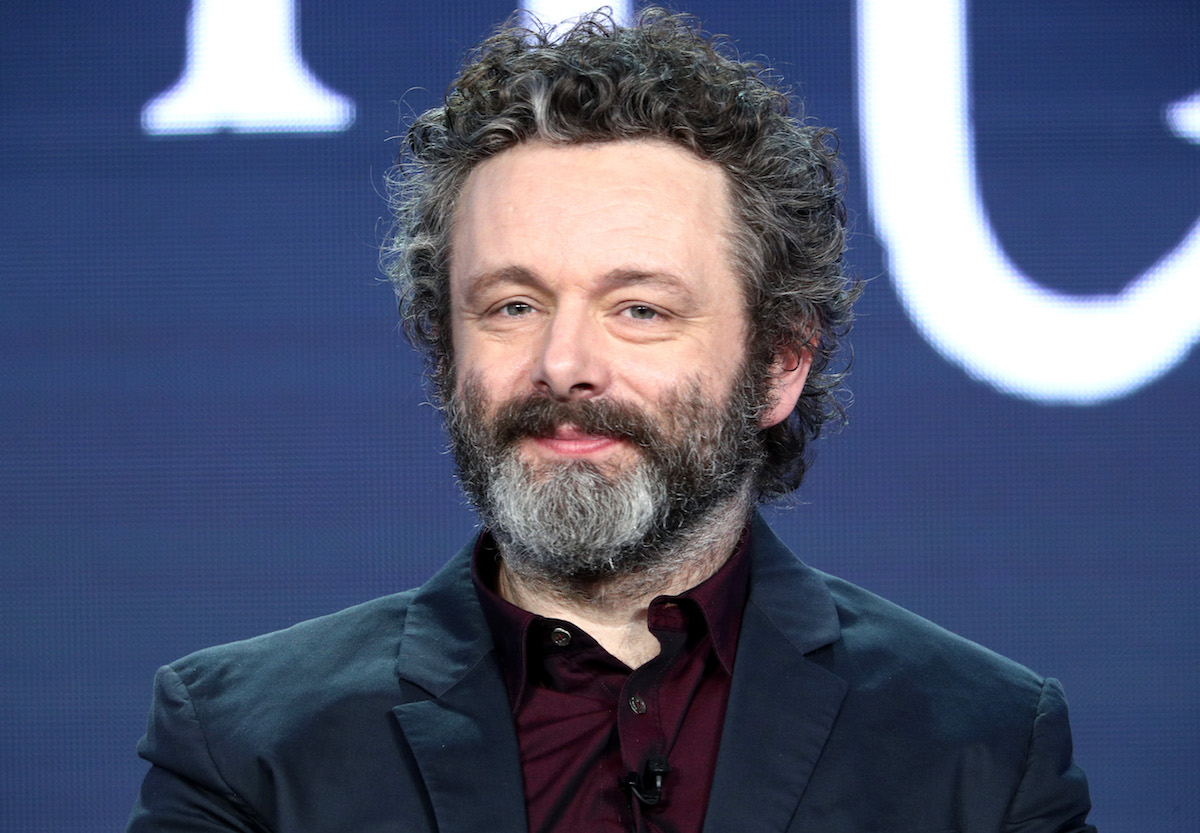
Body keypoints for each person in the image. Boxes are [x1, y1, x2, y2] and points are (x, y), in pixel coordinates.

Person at [126, 9, 1096, 832]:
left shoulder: (981, 749)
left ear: (780, 365)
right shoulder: (249, 746)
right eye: (511, 304)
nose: (564, 364)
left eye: (641, 309)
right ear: (444, 350)